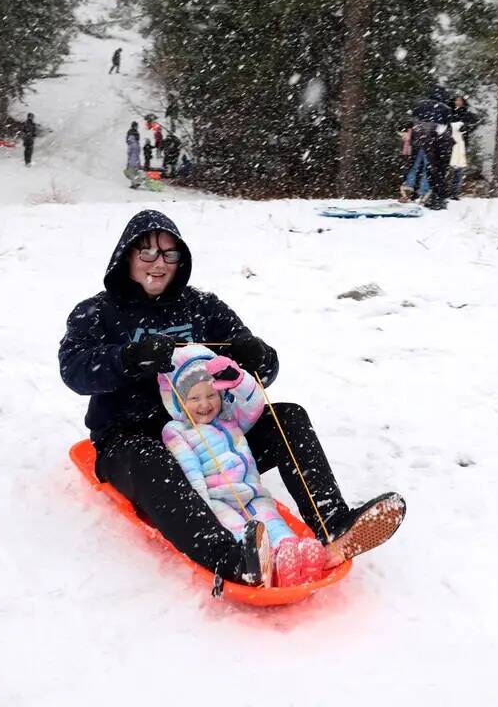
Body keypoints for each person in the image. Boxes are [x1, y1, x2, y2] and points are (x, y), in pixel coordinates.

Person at [58, 210, 407, 587]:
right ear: (126, 255)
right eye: (147, 253)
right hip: (132, 440)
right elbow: (74, 370)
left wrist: (258, 357)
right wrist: (128, 358)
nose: (158, 264)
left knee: (288, 418)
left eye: (169, 254)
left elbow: (261, 370)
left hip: (212, 434)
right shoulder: (97, 312)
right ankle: (234, 557)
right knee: (152, 461)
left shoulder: (202, 307)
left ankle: (332, 521)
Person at [159, 345, 327, 587]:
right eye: (194, 398)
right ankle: (258, 562)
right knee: (239, 530)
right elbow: (189, 471)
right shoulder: (176, 431)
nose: (204, 404)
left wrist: (238, 380)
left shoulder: (230, 418)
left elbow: (254, 403)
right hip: (217, 500)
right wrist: (202, 508)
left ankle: (294, 557)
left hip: (251, 492)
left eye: (211, 395)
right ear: (178, 400)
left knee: (274, 523)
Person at [409, 86, 454, 210]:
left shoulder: (419, 105)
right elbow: (445, 127)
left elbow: (413, 122)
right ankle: (438, 198)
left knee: (428, 169)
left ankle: (428, 195)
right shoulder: (445, 109)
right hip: (441, 144)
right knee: (439, 170)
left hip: (424, 143)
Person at [447, 96, 480, 200]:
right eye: (456, 100)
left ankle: (454, 192)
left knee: (459, 168)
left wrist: (467, 128)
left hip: (462, 143)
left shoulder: (467, 114)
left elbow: (476, 122)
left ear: (464, 102)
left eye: (460, 100)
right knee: (446, 168)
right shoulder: (448, 113)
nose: (458, 102)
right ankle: (442, 190)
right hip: (447, 143)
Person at [125, 122, 142, 189]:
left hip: (133, 160)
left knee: (132, 171)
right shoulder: (135, 143)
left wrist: (129, 162)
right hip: (135, 160)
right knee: (135, 171)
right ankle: (136, 182)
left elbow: (130, 153)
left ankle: (134, 184)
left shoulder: (131, 144)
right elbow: (136, 152)